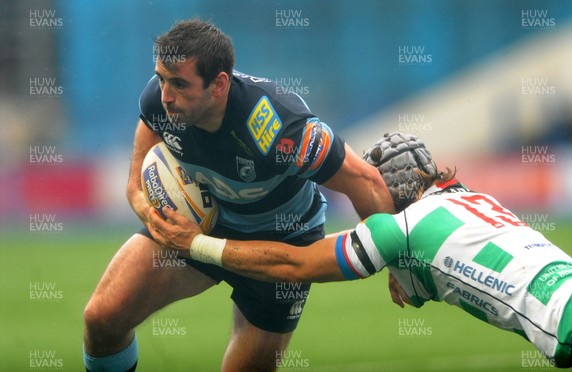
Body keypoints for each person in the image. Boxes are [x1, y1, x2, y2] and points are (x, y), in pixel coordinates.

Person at [82, 19, 393, 372]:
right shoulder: (160, 99)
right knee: (101, 318)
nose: (166, 95)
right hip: (202, 224)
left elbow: (366, 182)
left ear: (219, 85)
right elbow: (137, 179)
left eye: (180, 84)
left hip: (282, 242)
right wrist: (150, 213)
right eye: (162, 78)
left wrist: (394, 261)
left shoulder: (280, 129)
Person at [151, 132, 572, 370]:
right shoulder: (471, 199)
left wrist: (196, 244)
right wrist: (394, 261)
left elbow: (295, 263)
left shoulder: (398, 231)